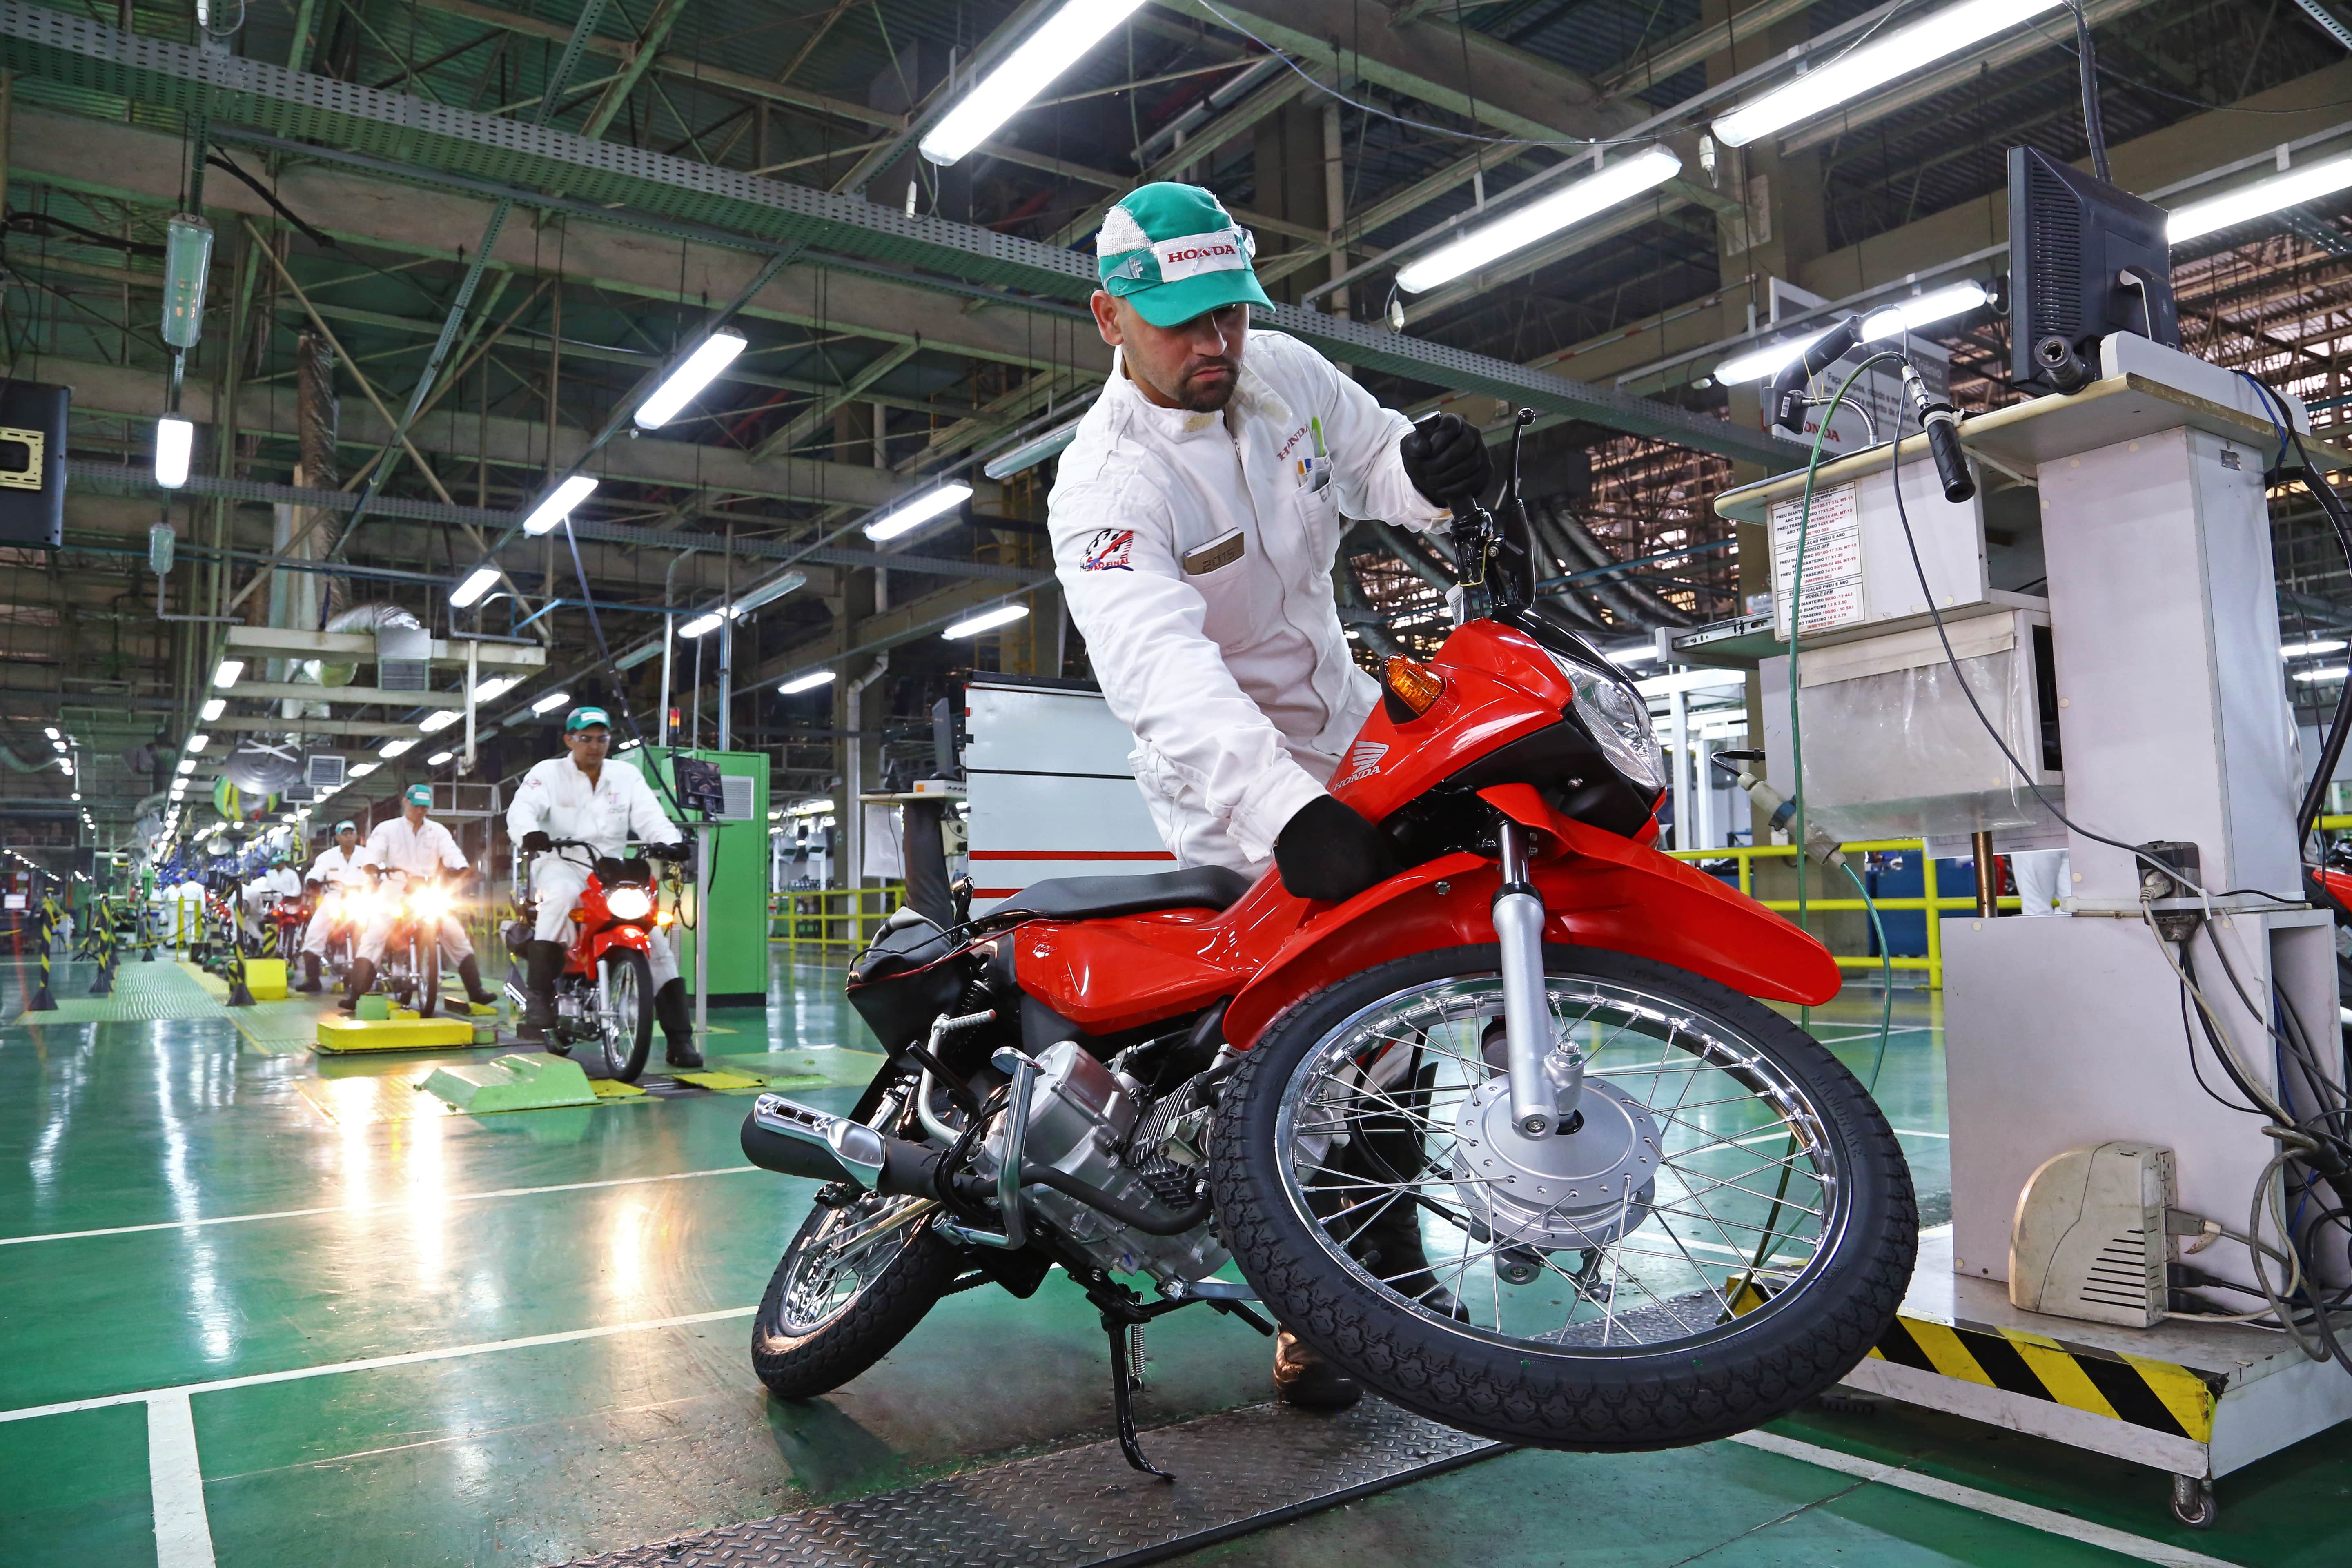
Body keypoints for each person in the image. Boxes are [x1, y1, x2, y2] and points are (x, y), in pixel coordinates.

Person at [1048, 182, 1493, 1413]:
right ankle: (1309, 1298)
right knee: (1297, 1034)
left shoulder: (1280, 370)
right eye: (1185, 322)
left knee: (1403, 1007)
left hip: (1348, 723)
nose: (1217, 343)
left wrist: (1427, 470)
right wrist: (1286, 817)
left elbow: (1375, 462)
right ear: (1109, 318)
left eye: (1231, 313)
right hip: (1225, 778)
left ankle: (1383, 1256)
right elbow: (1164, 677)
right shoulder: (1104, 485)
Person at [506, 706, 699, 1069]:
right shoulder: (547, 773)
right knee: (561, 898)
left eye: (601, 738)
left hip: (611, 869)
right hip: (560, 863)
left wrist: (671, 842)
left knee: (657, 944)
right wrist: (529, 833)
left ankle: (680, 1040)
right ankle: (540, 995)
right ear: (569, 740)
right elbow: (522, 809)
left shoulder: (626, 776)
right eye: (586, 738)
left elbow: (651, 817)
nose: (594, 746)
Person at [346, 784, 497, 1010]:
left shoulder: (438, 831)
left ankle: (476, 991)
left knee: (455, 933)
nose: (420, 811)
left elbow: (451, 851)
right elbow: (375, 850)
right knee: (375, 935)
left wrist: (462, 868)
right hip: (394, 889)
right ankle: (356, 994)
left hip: (428, 889)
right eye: (416, 806)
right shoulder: (387, 828)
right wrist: (371, 864)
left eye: (425, 808)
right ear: (405, 802)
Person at [294, 820, 373, 992]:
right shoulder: (326, 857)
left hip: (362, 898)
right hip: (335, 898)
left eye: (351, 833)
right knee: (314, 932)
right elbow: (316, 872)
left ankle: (377, 975)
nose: (349, 837)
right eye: (345, 834)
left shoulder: (369, 855)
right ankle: (313, 979)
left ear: (357, 836)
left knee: (377, 932)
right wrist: (313, 880)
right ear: (337, 837)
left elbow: (379, 871)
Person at [242, 855, 302, 950]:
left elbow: (297, 889)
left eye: (277, 865)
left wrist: (289, 896)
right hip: (273, 903)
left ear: (283, 864)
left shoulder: (292, 874)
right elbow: (267, 887)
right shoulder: (270, 874)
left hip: (288, 903)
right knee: (264, 920)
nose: (275, 867)